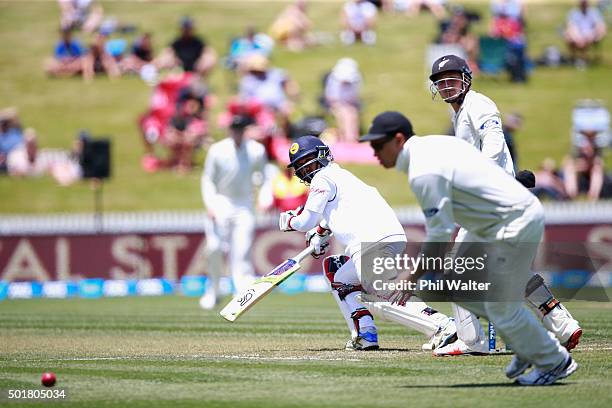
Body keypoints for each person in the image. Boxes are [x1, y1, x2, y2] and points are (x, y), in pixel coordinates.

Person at [360, 112, 578, 385]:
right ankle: (526, 342)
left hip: (511, 220)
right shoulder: (434, 145)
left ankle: (554, 361)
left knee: (495, 303)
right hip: (497, 218)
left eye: (378, 145)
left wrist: (411, 277)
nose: (374, 153)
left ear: (398, 140)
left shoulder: (422, 172)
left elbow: (438, 234)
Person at [427, 55, 582, 355]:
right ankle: (563, 324)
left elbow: (495, 145)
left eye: (452, 79)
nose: (447, 85)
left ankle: (471, 341)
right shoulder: (459, 114)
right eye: (441, 82)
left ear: (466, 79)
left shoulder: (480, 104)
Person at [279, 135, 457, 351]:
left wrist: (288, 220)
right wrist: (320, 232)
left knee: (380, 295)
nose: (305, 170)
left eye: (307, 162)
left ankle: (444, 326)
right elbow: (334, 214)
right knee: (339, 275)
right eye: (299, 166)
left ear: (322, 156)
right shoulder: (343, 177)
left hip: (371, 241)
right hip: (383, 237)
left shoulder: (323, 178)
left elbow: (305, 220)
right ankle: (365, 333)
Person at [199, 114, 269, 309]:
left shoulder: (256, 150)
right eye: (235, 129)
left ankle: (242, 292)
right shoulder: (217, 150)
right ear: (230, 131)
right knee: (214, 248)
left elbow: (263, 178)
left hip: (244, 204)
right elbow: (207, 180)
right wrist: (210, 204)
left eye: (241, 129)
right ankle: (213, 290)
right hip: (221, 202)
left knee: (242, 250)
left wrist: (264, 198)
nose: (238, 133)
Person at [323, 58, 362, 142]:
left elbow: (354, 97)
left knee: (352, 114)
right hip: (335, 104)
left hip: (350, 104)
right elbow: (331, 98)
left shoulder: (355, 81)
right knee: (344, 114)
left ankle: (352, 138)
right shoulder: (333, 81)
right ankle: (347, 138)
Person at [564, 0, 607, 66]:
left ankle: (583, 59)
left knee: (587, 39)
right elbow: (571, 27)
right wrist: (577, 38)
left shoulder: (594, 13)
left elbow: (599, 26)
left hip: (591, 35)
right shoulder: (574, 13)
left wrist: (593, 35)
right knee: (569, 37)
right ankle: (575, 59)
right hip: (577, 35)